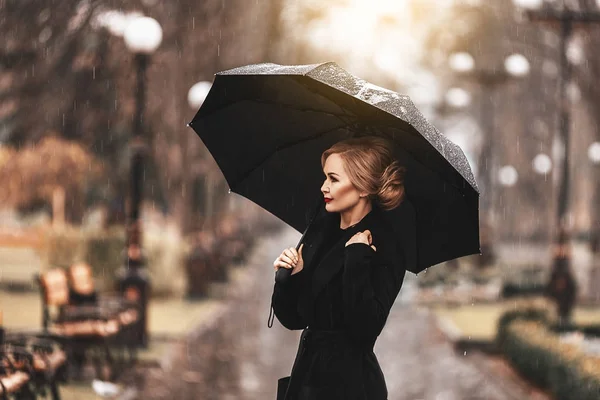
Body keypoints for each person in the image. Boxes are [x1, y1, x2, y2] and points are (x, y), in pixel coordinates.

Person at [271, 136, 407, 400]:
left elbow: (365, 328)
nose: (323, 187)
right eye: (325, 177)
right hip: (306, 381)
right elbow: (294, 319)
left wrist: (357, 258)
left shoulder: (385, 244)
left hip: (351, 387)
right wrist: (289, 277)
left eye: (333, 179)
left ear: (364, 187)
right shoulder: (321, 232)